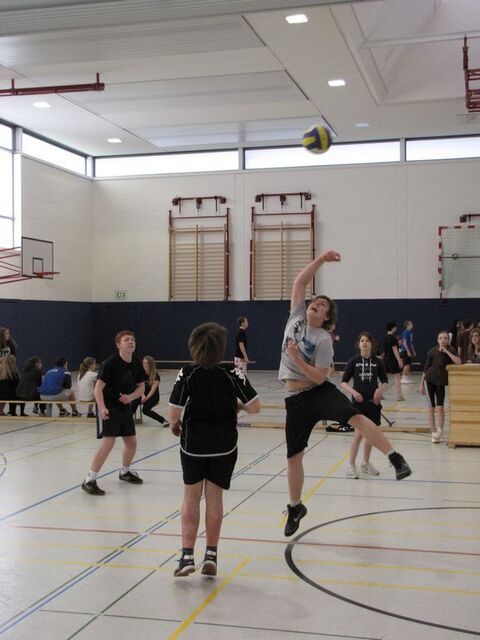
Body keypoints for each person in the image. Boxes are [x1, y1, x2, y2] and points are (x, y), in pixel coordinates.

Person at [279, 250, 412, 537]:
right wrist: (321, 260)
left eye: (321, 305)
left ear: (326, 317)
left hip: (318, 392)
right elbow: (300, 282)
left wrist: (298, 359)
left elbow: (319, 376)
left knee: (357, 418)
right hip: (294, 400)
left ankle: (395, 458)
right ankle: (295, 507)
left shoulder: (323, 339)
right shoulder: (296, 316)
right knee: (293, 457)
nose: (315, 304)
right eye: (315, 301)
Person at [168, 322, 260, 576]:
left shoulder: (187, 373)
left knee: (191, 498)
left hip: (194, 445)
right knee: (215, 498)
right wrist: (237, 406)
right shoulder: (233, 372)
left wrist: (175, 424)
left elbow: (173, 414)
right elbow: (255, 407)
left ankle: (187, 556)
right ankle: (211, 554)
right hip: (224, 445)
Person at [81, 330, 147, 496]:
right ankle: (89, 479)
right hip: (109, 406)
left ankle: (125, 472)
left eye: (132, 340)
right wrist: (102, 407)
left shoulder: (137, 363)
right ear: (119, 345)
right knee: (108, 442)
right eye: (126, 340)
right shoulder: (110, 363)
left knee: (131, 442)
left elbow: (141, 387)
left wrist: (130, 397)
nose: (131, 342)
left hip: (125, 406)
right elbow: (98, 388)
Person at [341, 332, 388, 479]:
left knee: (370, 435)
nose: (365, 343)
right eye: (362, 340)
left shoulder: (377, 362)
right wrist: (354, 392)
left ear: (371, 344)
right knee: (359, 434)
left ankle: (365, 463)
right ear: (359, 344)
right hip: (358, 404)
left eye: (367, 340)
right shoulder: (353, 361)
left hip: (373, 404)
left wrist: (379, 391)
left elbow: (385, 381)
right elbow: (343, 382)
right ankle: (351, 465)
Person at [419, 330, 460, 443]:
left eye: (445, 338)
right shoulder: (432, 351)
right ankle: (433, 432)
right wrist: (421, 383)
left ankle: (440, 429)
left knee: (440, 407)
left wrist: (447, 352)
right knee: (431, 407)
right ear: (437, 340)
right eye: (441, 338)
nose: (443, 340)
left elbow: (458, 362)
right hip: (429, 379)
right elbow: (426, 368)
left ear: (448, 340)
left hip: (441, 382)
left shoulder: (452, 350)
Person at [131, 356, 169, 426]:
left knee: (145, 410)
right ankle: (127, 420)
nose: (145, 365)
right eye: (143, 363)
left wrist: (146, 398)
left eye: (147, 363)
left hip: (153, 397)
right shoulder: (140, 374)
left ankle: (164, 421)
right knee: (134, 402)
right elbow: (138, 387)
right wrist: (142, 396)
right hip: (142, 394)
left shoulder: (156, 376)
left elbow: (152, 390)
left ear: (151, 364)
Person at [383, 322, 404, 401]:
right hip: (392, 359)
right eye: (395, 327)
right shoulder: (393, 338)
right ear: (392, 328)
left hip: (386, 359)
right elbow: (395, 350)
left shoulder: (384, 337)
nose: (396, 329)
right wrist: (399, 360)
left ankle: (379, 394)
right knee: (397, 378)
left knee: (383, 379)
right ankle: (399, 396)